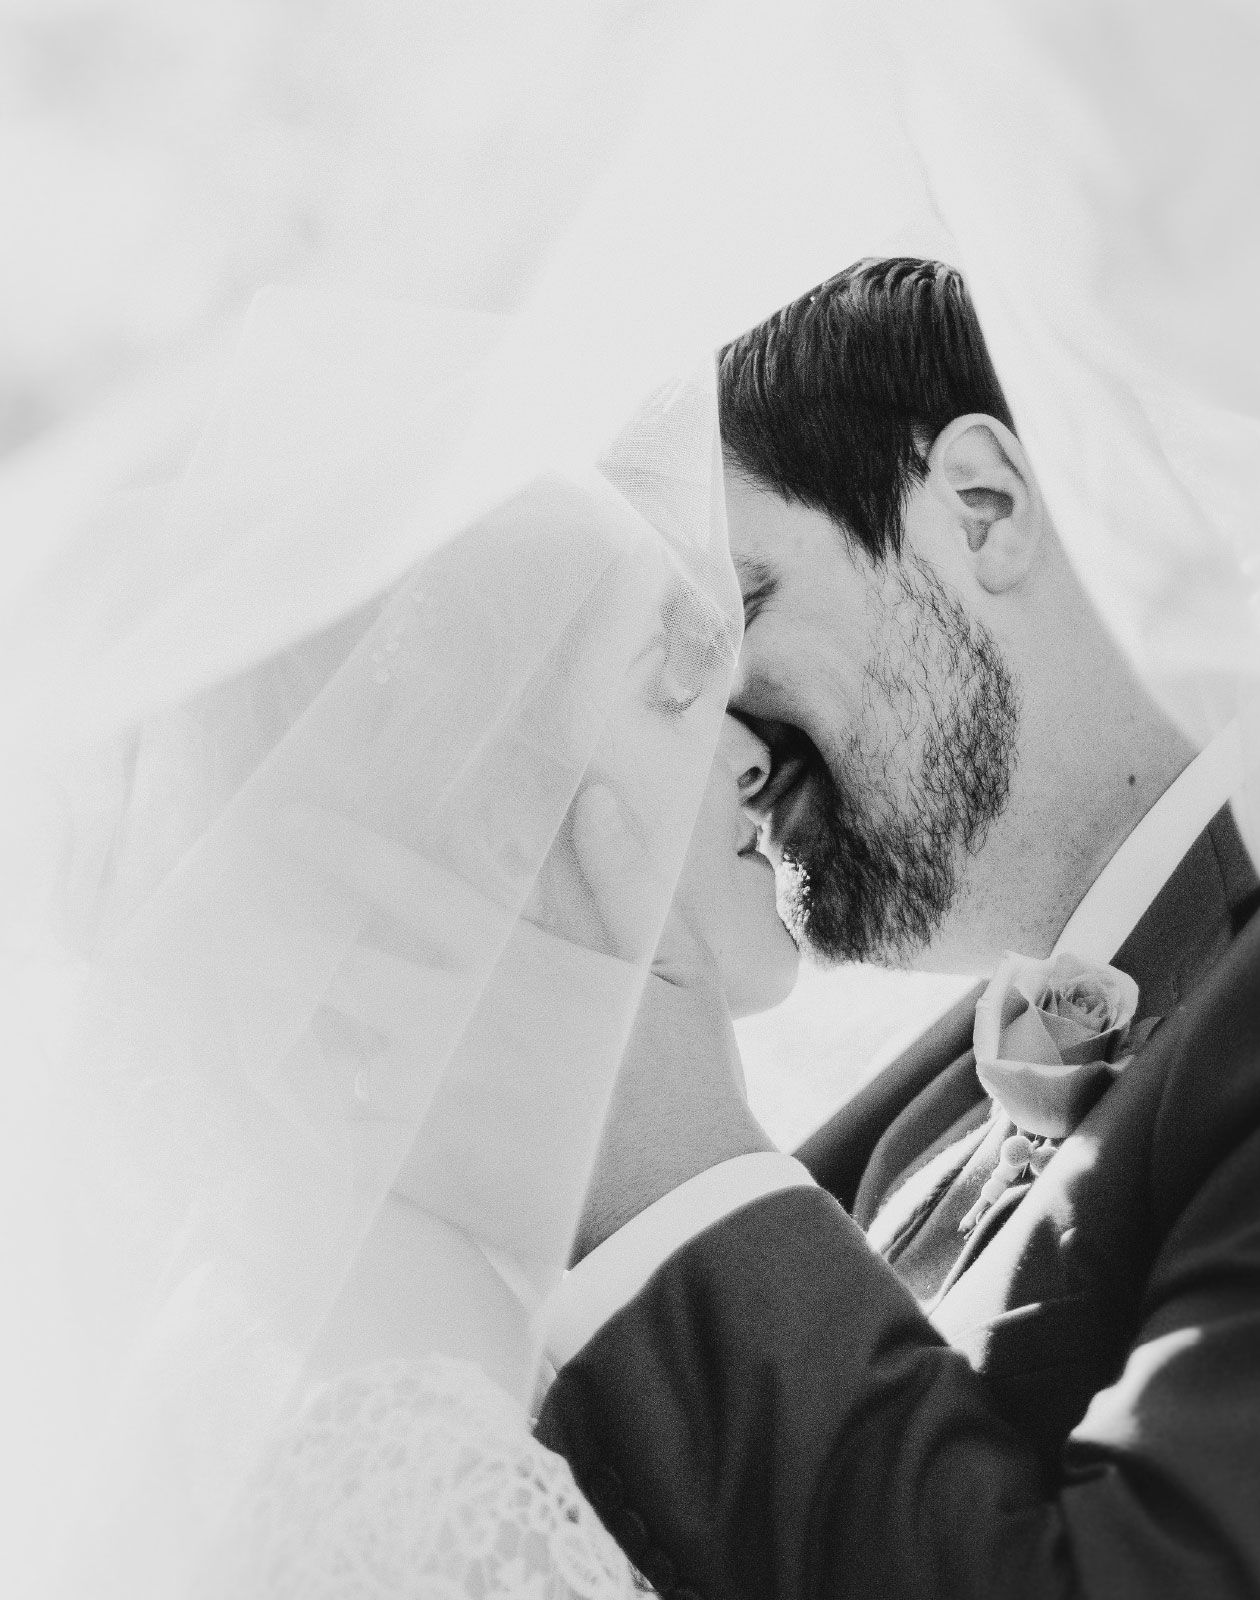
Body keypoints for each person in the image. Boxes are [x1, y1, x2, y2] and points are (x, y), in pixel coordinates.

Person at [536, 260, 1260, 1598]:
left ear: (983, 506)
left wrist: (676, 1173)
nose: (728, 751)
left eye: (729, 622)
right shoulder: (913, 1117)